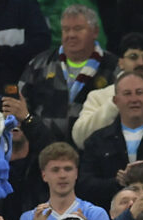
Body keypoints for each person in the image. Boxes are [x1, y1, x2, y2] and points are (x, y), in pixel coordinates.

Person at [77, 71, 143, 210]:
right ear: (115, 101)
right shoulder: (97, 141)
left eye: (139, 92)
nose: (134, 99)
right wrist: (117, 182)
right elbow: (84, 185)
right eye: (127, 93)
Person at [19, 4, 118, 142]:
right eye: (66, 29)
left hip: (96, 150)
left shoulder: (113, 67)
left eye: (78, 29)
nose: (71, 35)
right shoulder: (40, 64)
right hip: (43, 150)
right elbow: (21, 104)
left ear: (95, 32)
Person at [17, 143, 111, 220]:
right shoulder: (29, 218)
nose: (62, 175)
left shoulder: (96, 214)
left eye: (68, 169)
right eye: (55, 170)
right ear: (44, 175)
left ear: (76, 173)